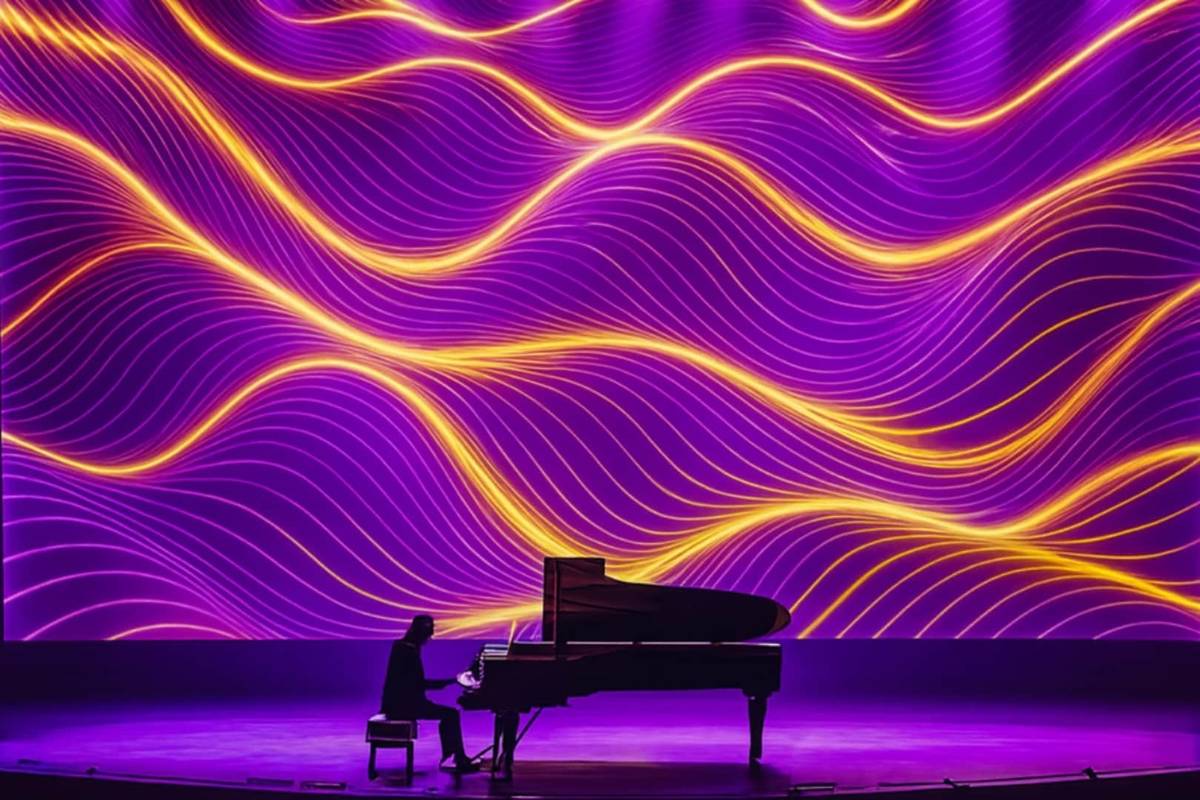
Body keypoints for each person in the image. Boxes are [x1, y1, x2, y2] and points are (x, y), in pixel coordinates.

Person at [380, 615, 479, 772]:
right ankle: (457, 758)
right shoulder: (408, 651)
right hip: (404, 706)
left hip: (399, 702)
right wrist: (451, 681)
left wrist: (449, 682)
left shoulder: (402, 646)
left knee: (449, 715)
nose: (431, 636)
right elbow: (417, 684)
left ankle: (452, 756)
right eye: (429, 632)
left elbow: (413, 683)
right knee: (451, 715)